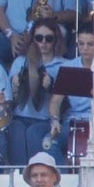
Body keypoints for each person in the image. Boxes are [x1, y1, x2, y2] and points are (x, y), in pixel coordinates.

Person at [8, 18, 66, 164]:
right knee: (16, 131)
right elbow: (12, 101)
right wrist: (15, 86)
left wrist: (51, 86)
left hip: (46, 119)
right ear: (32, 40)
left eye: (49, 38)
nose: (43, 42)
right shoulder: (20, 62)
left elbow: (65, 102)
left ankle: (38, 172)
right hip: (20, 116)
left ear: (56, 40)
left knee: (33, 133)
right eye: (39, 38)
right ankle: (18, 175)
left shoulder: (63, 64)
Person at [48, 25, 94, 164]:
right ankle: (62, 180)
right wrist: (55, 121)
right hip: (72, 121)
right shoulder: (68, 67)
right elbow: (55, 101)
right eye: (81, 43)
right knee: (49, 144)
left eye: (90, 44)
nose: (85, 48)